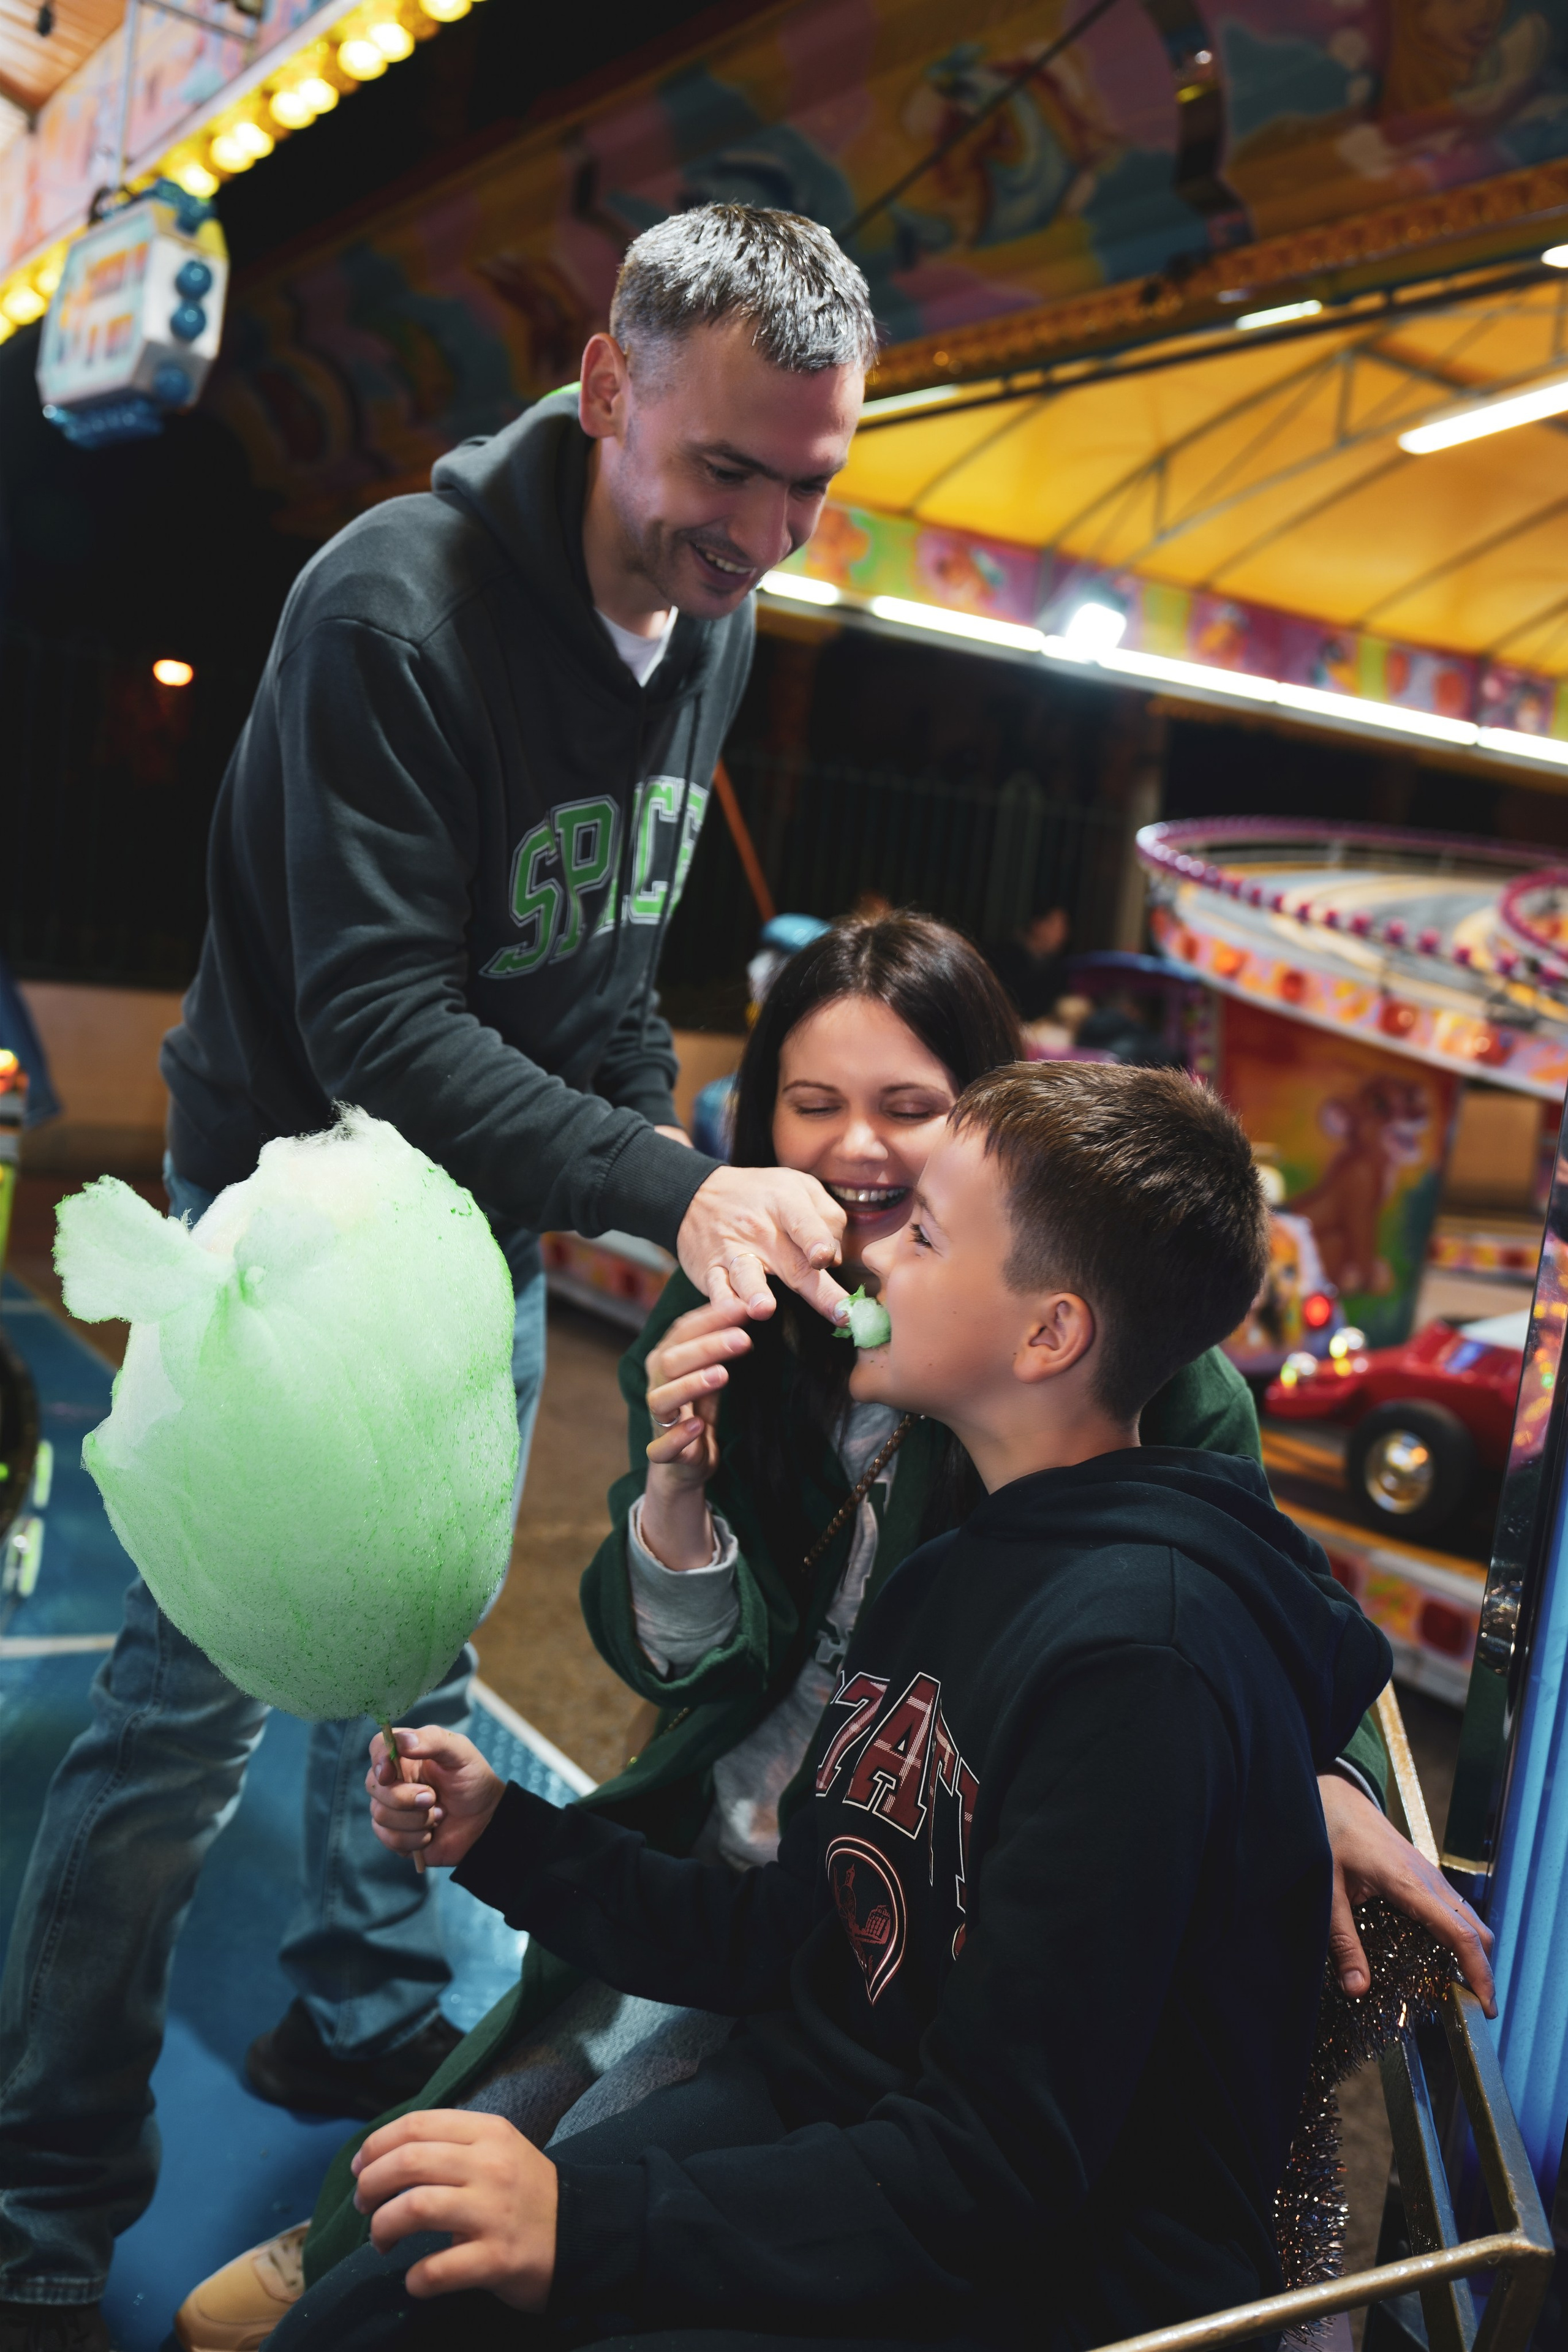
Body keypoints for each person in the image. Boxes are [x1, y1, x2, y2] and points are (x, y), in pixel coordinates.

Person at [0, 203, 881, 2352]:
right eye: (727, 473)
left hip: (471, 1233)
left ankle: (367, 2003)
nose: (762, 532)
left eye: (810, 484)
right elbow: (381, 1017)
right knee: (181, 1727)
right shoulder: (390, 613)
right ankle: (43, 2200)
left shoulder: (712, 623)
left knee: (413, 1651)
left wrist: (663, 1150)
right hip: (293, 1250)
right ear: (606, 392)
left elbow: (591, 958)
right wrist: (668, 1187)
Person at [185, 914, 1493, 2351]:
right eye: (812, 1108)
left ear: (1048, 1330)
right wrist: (511, 1832)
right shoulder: (942, 1556)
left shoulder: (1136, 1647)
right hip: (836, 2074)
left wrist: (1310, 1776)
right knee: (389, 2290)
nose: (871, 1198)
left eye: (922, 1199)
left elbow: (995, 2153)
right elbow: (807, 1926)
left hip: (987, 2230)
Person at [984, 904, 1070, 1022]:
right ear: (1037, 925)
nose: (1062, 935)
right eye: (1056, 927)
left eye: (1064, 928)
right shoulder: (1004, 957)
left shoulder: (1057, 967)